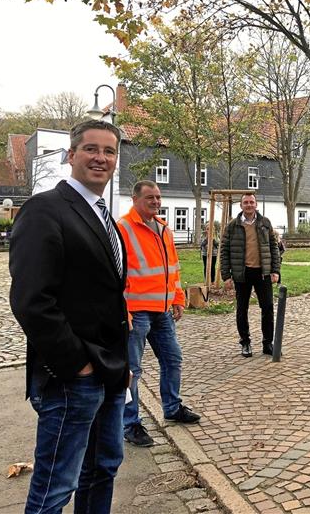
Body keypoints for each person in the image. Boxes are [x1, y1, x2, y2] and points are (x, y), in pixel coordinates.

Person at [9, 119, 130, 513]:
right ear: (71, 155)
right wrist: (76, 364)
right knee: (55, 489)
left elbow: (108, 299)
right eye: (92, 149)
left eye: (109, 151)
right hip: (71, 379)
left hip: (110, 372)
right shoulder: (45, 210)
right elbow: (31, 300)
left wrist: (122, 365)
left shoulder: (103, 216)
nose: (101, 158)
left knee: (102, 470)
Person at [117, 181, 201, 447]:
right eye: (150, 197)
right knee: (131, 370)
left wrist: (177, 298)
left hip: (162, 310)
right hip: (136, 311)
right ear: (135, 199)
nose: (156, 201)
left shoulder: (164, 228)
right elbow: (117, 274)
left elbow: (172, 268)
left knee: (173, 359)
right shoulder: (124, 229)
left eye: (158, 197)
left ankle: (172, 408)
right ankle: (130, 424)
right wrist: (123, 310)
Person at [220, 193, 280, 357]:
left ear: (256, 204)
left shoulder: (265, 223)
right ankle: (245, 342)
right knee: (242, 309)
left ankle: (268, 343)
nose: (249, 205)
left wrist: (275, 270)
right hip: (242, 273)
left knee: (267, 308)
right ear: (241, 206)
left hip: (262, 273)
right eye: (245, 202)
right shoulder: (232, 226)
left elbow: (273, 248)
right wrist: (226, 276)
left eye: (251, 202)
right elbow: (224, 251)